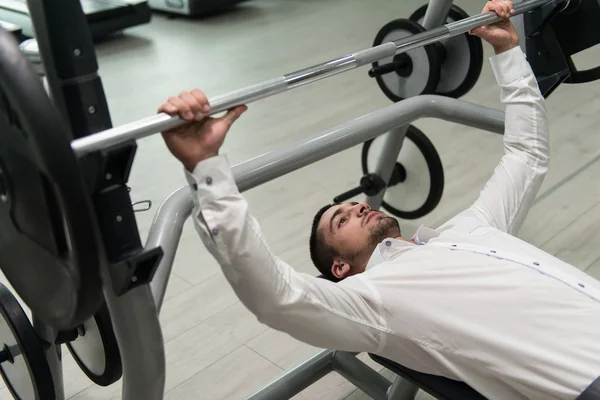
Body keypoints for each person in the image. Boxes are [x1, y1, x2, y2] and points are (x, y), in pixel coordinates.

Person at [158, 1, 600, 399]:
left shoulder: (470, 229)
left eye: (347, 206)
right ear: (340, 268)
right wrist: (207, 169)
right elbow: (276, 297)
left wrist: (507, 52)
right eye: (340, 221)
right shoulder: (372, 301)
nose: (354, 207)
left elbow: (526, 153)